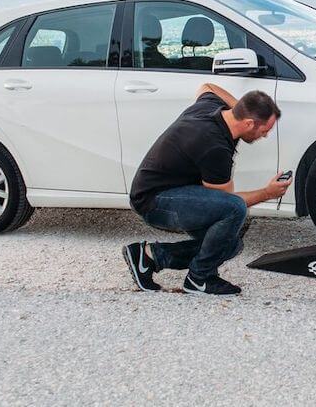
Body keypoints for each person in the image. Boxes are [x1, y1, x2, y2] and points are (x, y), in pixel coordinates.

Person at [123, 83, 291, 296]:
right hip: (155, 202)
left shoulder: (210, 107)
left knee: (229, 245)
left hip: (170, 191)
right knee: (235, 209)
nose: (265, 136)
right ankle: (200, 279)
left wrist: (243, 106)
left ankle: (149, 256)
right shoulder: (214, 147)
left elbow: (208, 86)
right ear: (249, 123)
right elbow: (228, 201)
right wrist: (268, 193)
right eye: (264, 130)